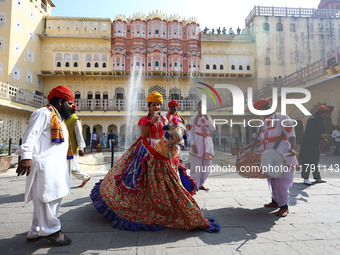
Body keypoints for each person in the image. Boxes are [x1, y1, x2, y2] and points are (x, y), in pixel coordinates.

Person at [90, 92, 219, 232]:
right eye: (153, 105)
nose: (156, 107)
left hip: (162, 153)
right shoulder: (145, 120)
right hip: (147, 152)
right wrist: (152, 122)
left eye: (158, 104)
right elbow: (143, 134)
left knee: (165, 181)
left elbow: (171, 132)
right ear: (149, 106)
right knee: (142, 179)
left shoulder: (164, 120)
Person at [15, 85, 74, 246]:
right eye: (69, 103)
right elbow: (30, 135)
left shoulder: (58, 118)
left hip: (56, 167)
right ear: (60, 102)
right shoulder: (43, 113)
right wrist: (26, 156)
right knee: (46, 199)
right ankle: (52, 231)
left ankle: (35, 231)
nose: (71, 107)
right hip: (44, 165)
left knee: (50, 198)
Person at [240, 98, 298, 217]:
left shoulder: (282, 117)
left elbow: (290, 134)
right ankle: (275, 201)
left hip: (280, 152)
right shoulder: (264, 122)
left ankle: (284, 206)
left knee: (281, 180)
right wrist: (246, 148)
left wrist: (292, 148)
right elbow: (260, 140)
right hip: (266, 153)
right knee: (271, 178)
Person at [300, 105, 334, 185]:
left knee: (315, 160)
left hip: (315, 143)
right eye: (329, 113)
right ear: (324, 113)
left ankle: (317, 178)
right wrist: (321, 136)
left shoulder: (322, 120)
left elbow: (321, 132)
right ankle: (306, 178)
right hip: (307, 144)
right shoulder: (312, 119)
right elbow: (309, 132)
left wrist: (324, 140)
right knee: (307, 161)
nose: (330, 114)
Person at [189, 100, 216, 191]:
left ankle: (201, 184)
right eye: (201, 107)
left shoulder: (209, 118)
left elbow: (213, 128)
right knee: (195, 165)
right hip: (197, 143)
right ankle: (194, 186)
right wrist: (193, 144)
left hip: (207, 144)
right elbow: (190, 132)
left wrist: (207, 118)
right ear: (198, 108)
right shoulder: (193, 119)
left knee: (207, 166)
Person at [65, 103, 91, 188]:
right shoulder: (65, 119)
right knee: (67, 168)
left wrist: (81, 148)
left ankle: (85, 177)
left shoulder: (76, 120)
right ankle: (65, 184)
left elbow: (79, 134)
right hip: (65, 148)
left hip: (72, 148)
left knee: (73, 168)